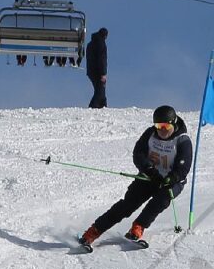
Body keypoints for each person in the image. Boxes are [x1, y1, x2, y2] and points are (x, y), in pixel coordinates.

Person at [78, 105, 192, 247]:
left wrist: (172, 178)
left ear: (173, 124)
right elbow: (138, 154)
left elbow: (184, 167)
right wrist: (149, 170)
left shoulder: (182, 140)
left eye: (166, 126)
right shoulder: (150, 134)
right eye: (158, 126)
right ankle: (94, 231)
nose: (162, 130)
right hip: (150, 176)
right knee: (128, 204)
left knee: (160, 201)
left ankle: (138, 226)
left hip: (171, 181)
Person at [86, 28, 108, 108]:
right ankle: (94, 107)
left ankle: (103, 106)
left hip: (90, 70)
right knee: (100, 90)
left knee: (100, 89)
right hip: (98, 71)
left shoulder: (90, 44)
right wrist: (103, 73)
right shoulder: (101, 43)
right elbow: (102, 59)